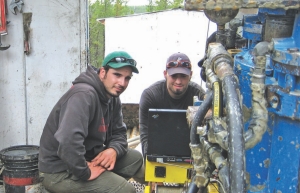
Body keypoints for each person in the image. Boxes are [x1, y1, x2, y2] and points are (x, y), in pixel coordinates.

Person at [38, 51, 144, 193]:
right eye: (117, 75)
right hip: (59, 170)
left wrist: (113, 150)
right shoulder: (84, 95)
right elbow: (68, 140)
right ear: (102, 72)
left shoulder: (112, 97)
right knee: (125, 190)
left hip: (88, 158)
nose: (122, 83)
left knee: (135, 159)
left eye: (127, 78)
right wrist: (85, 172)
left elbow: (119, 133)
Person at [139, 52, 206, 157]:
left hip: (190, 151)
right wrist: (150, 158)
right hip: (159, 149)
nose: (178, 81)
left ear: (191, 75)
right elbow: (145, 134)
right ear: (165, 74)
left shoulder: (199, 95)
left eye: (183, 76)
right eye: (174, 76)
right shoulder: (150, 95)